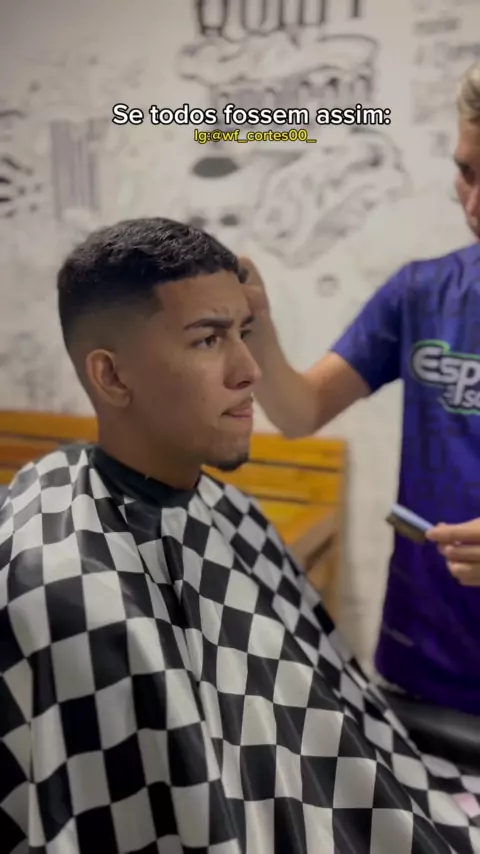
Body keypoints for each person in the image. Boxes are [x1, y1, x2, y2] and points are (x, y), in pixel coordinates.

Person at [1, 217, 479, 854]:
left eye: (244, 334)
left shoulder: (225, 511)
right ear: (112, 377)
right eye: (208, 339)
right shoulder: (67, 583)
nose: (251, 370)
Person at [242, 61, 480, 719]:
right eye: (466, 172)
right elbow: (300, 412)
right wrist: (255, 327)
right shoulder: (422, 292)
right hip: (422, 660)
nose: (474, 206)